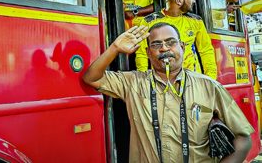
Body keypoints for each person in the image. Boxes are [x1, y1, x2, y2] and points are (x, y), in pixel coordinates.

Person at [82, 23, 253, 162]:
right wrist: (115, 48)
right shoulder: (133, 82)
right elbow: (92, 78)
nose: (164, 48)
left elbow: (243, 138)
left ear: (182, 47)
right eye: (156, 44)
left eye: (171, 42)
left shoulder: (209, 86)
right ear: (149, 53)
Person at [136, 0, 217, 79]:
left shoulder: (196, 21)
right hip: (162, 80)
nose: (194, 1)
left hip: (192, 79)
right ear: (179, 0)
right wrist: (144, 80)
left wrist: (211, 78)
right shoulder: (149, 22)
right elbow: (142, 54)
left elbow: (206, 51)